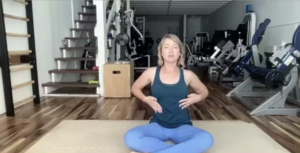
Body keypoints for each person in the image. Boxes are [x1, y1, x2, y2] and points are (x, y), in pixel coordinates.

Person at [124, 34, 214, 153]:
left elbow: (204, 91)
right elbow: (135, 88)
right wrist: (145, 99)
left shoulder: (187, 75)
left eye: (175, 47)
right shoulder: (151, 72)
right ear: (161, 52)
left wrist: (198, 97)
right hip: (158, 126)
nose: (171, 51)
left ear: (180, 52)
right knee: (131, 137)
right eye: (166, 47)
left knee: (207, 139)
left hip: (182, 127)